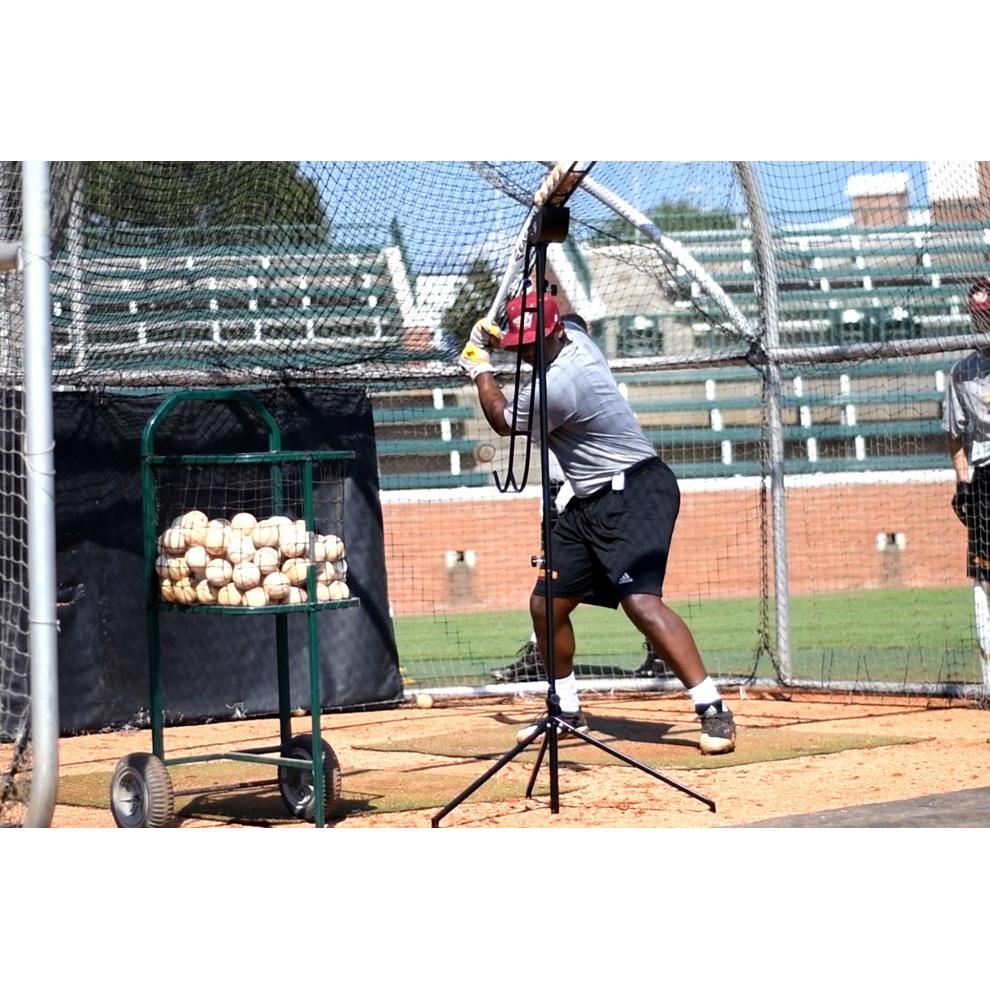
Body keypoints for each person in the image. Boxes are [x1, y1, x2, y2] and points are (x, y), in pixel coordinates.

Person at [458, 290, 736, 754]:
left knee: (641, 604)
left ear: (552, 333)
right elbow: (577, 316)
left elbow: (501, 419)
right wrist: (508, 315)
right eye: (519, 345)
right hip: (587, 502)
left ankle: (712, 708)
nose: (525, 352)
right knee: (547, 606)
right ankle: (565, 710)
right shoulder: (577, 337)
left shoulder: (561, 384)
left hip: (638, 491)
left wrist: (479, 365)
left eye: (531, 342)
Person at [943, 275, 990, 692]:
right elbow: (956, 435)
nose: (983, 321)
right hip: (986, 472)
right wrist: (963, 483)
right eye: (979, 314)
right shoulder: (964, 372)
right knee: (983, 577)